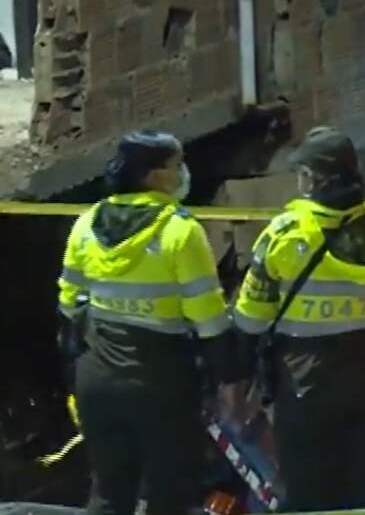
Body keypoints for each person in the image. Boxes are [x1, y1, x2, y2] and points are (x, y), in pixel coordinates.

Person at [233, 126, 365, 512]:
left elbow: (249, 322)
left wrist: (240, 383)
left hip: (306, 380)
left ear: (311, 179)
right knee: (363, 484)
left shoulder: (286, 234)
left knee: (306, 489)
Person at [57, 131, 243, 515]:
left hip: (97, 381)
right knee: (170, 495)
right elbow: (208, 319)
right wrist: (228, 378)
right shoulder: (179, 230)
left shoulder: (86, 223)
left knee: (109, 494)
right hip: (161, 384)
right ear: (154, 176)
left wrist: (75, 373)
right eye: (177, 166)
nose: (183, 173)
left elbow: (68, 307)